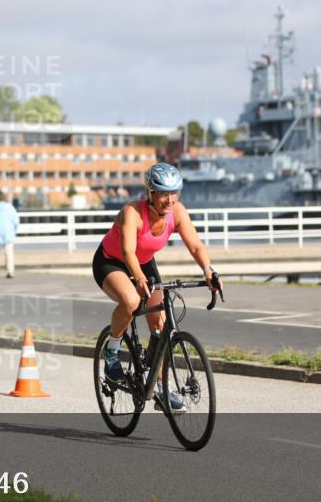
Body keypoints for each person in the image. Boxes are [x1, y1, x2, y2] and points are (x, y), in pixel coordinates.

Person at [92, 163, 223, 412]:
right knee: (131, 301)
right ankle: (112, 352)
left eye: (175, 193)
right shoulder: (132, 212)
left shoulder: (178, 212)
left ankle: (161, 387)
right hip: (111, 262)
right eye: (163, 193)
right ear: (151, 193)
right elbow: (128, 251)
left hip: (143, 263)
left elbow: (195, 246)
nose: (170, 200)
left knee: (161, 325)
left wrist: (208, 271)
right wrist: (139, 279)